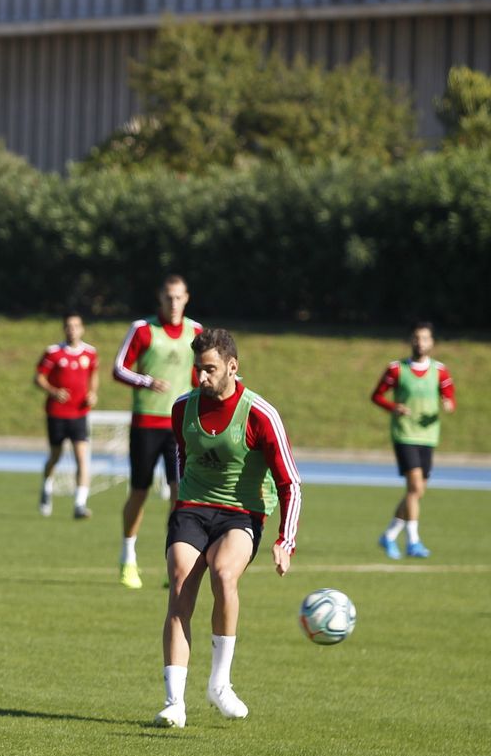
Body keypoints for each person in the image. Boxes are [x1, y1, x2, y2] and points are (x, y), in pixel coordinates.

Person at [155, 327, 300, 728]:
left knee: (223, 573)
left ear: (233, 367)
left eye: (210, 369)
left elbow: (290, 482)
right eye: (197, 369)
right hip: (193, 508)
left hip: (241, 513)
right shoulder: (183, 408)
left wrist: (284, 541)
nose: (201, 378)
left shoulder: (260, 414)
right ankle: (173, 702)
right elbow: (184, 457)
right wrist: (184, 502)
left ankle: (220, 684)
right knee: (181, 587)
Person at [112, 275, 202, 589]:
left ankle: (173, 564)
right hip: (146, 424)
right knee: (140, 492)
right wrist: (147, 381)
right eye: (168, 297)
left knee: (181, 494)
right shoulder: (143, 329)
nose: (173, 303)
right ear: (159, 299)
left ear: (187, 298)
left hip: (180, 428)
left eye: (178, 297)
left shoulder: (196, 332)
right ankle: (128, 558)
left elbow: (201, 373)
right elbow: (119, 368)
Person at [372, 321, 456, 559]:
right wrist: (393, 407)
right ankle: (413, 541)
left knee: (416, 493)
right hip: (404, 434)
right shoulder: (397, 369)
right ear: (411, 341)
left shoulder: (440, 370)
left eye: (425, 338)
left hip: (428, 436)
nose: (421, 342)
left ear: (432, 343)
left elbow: (449, 396)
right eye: (417, 338)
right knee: (415, 488)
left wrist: (448, 403)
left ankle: (389, 535)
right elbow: (376, 396)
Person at [35, 312, 99, 518]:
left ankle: (80, 504)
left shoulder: (90, 353)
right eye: (69, 326)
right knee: (56, 456)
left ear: (82, 329)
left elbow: (93, 376)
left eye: (76, 326)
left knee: (82, 457)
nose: (72, 330)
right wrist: (54, 391)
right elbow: (38, 378)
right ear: (64, 329)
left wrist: (93, 393)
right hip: (57, 413)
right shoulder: (53, 353)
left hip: (79, 413)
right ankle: (46, 486)